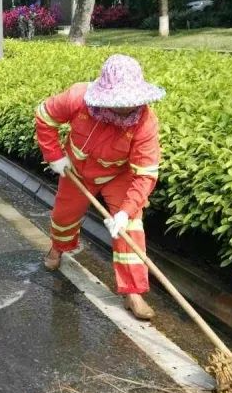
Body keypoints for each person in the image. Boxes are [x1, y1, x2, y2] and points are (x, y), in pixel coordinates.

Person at [35, 54, 165, 321]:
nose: (127, 108)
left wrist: (125, 212)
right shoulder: (77, 98)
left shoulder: (145, 122)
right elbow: (44, 116)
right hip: (76, 170)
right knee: (63, 217)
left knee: (131, 227)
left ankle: (133, 292)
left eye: (131, 102)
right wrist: (55, 156)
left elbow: (145, 174)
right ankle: (58, 247)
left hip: (119, 175)